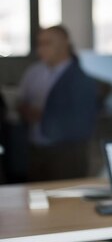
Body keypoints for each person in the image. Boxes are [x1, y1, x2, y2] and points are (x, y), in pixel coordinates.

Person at [17, 25, 98, 181]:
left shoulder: (81, 78)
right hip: (36, 147)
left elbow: (82, 121)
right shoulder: (34, 72)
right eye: (39, 43)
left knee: (65, 198)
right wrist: (25, 110)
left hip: (66, 152)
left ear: (64, 44)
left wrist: (45, 116)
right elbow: (21, 101)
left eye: (48, 43)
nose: (41, 49)